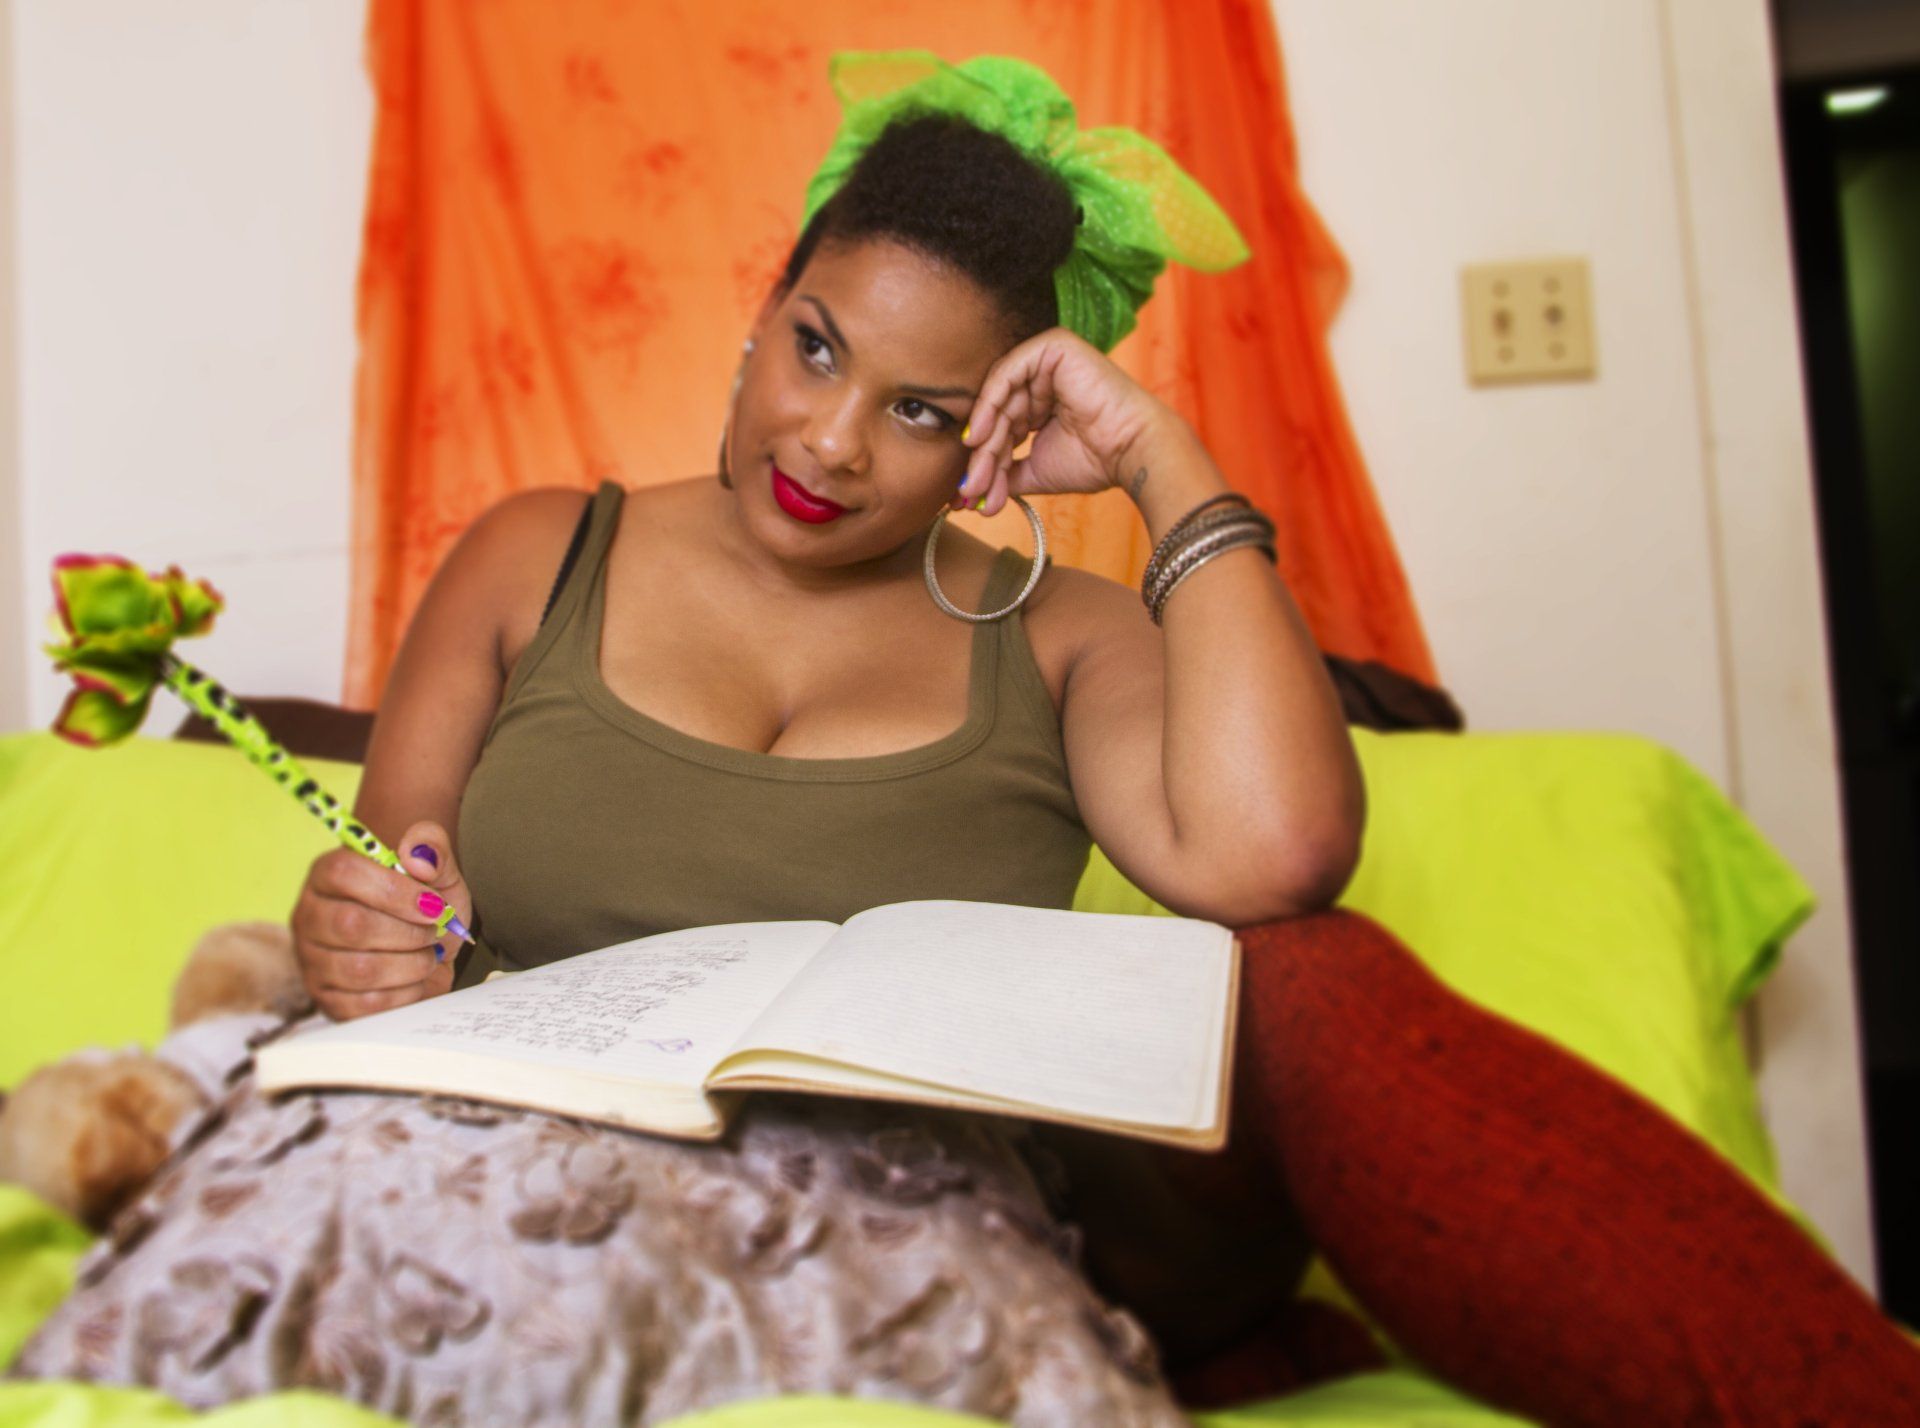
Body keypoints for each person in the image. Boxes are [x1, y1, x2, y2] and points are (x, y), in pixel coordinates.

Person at [288, 49, 1920, 1426]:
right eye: (817, 347)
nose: (834, 441)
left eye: (925, 410)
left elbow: (1277, 859)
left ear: (1003, 427)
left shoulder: (1059, 630)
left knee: (1309, 976)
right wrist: (359, 930)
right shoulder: (533, 553)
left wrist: (1163, 466)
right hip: (553, 1183)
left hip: (936, 1211)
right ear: (763, 309)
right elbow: (384, 882)